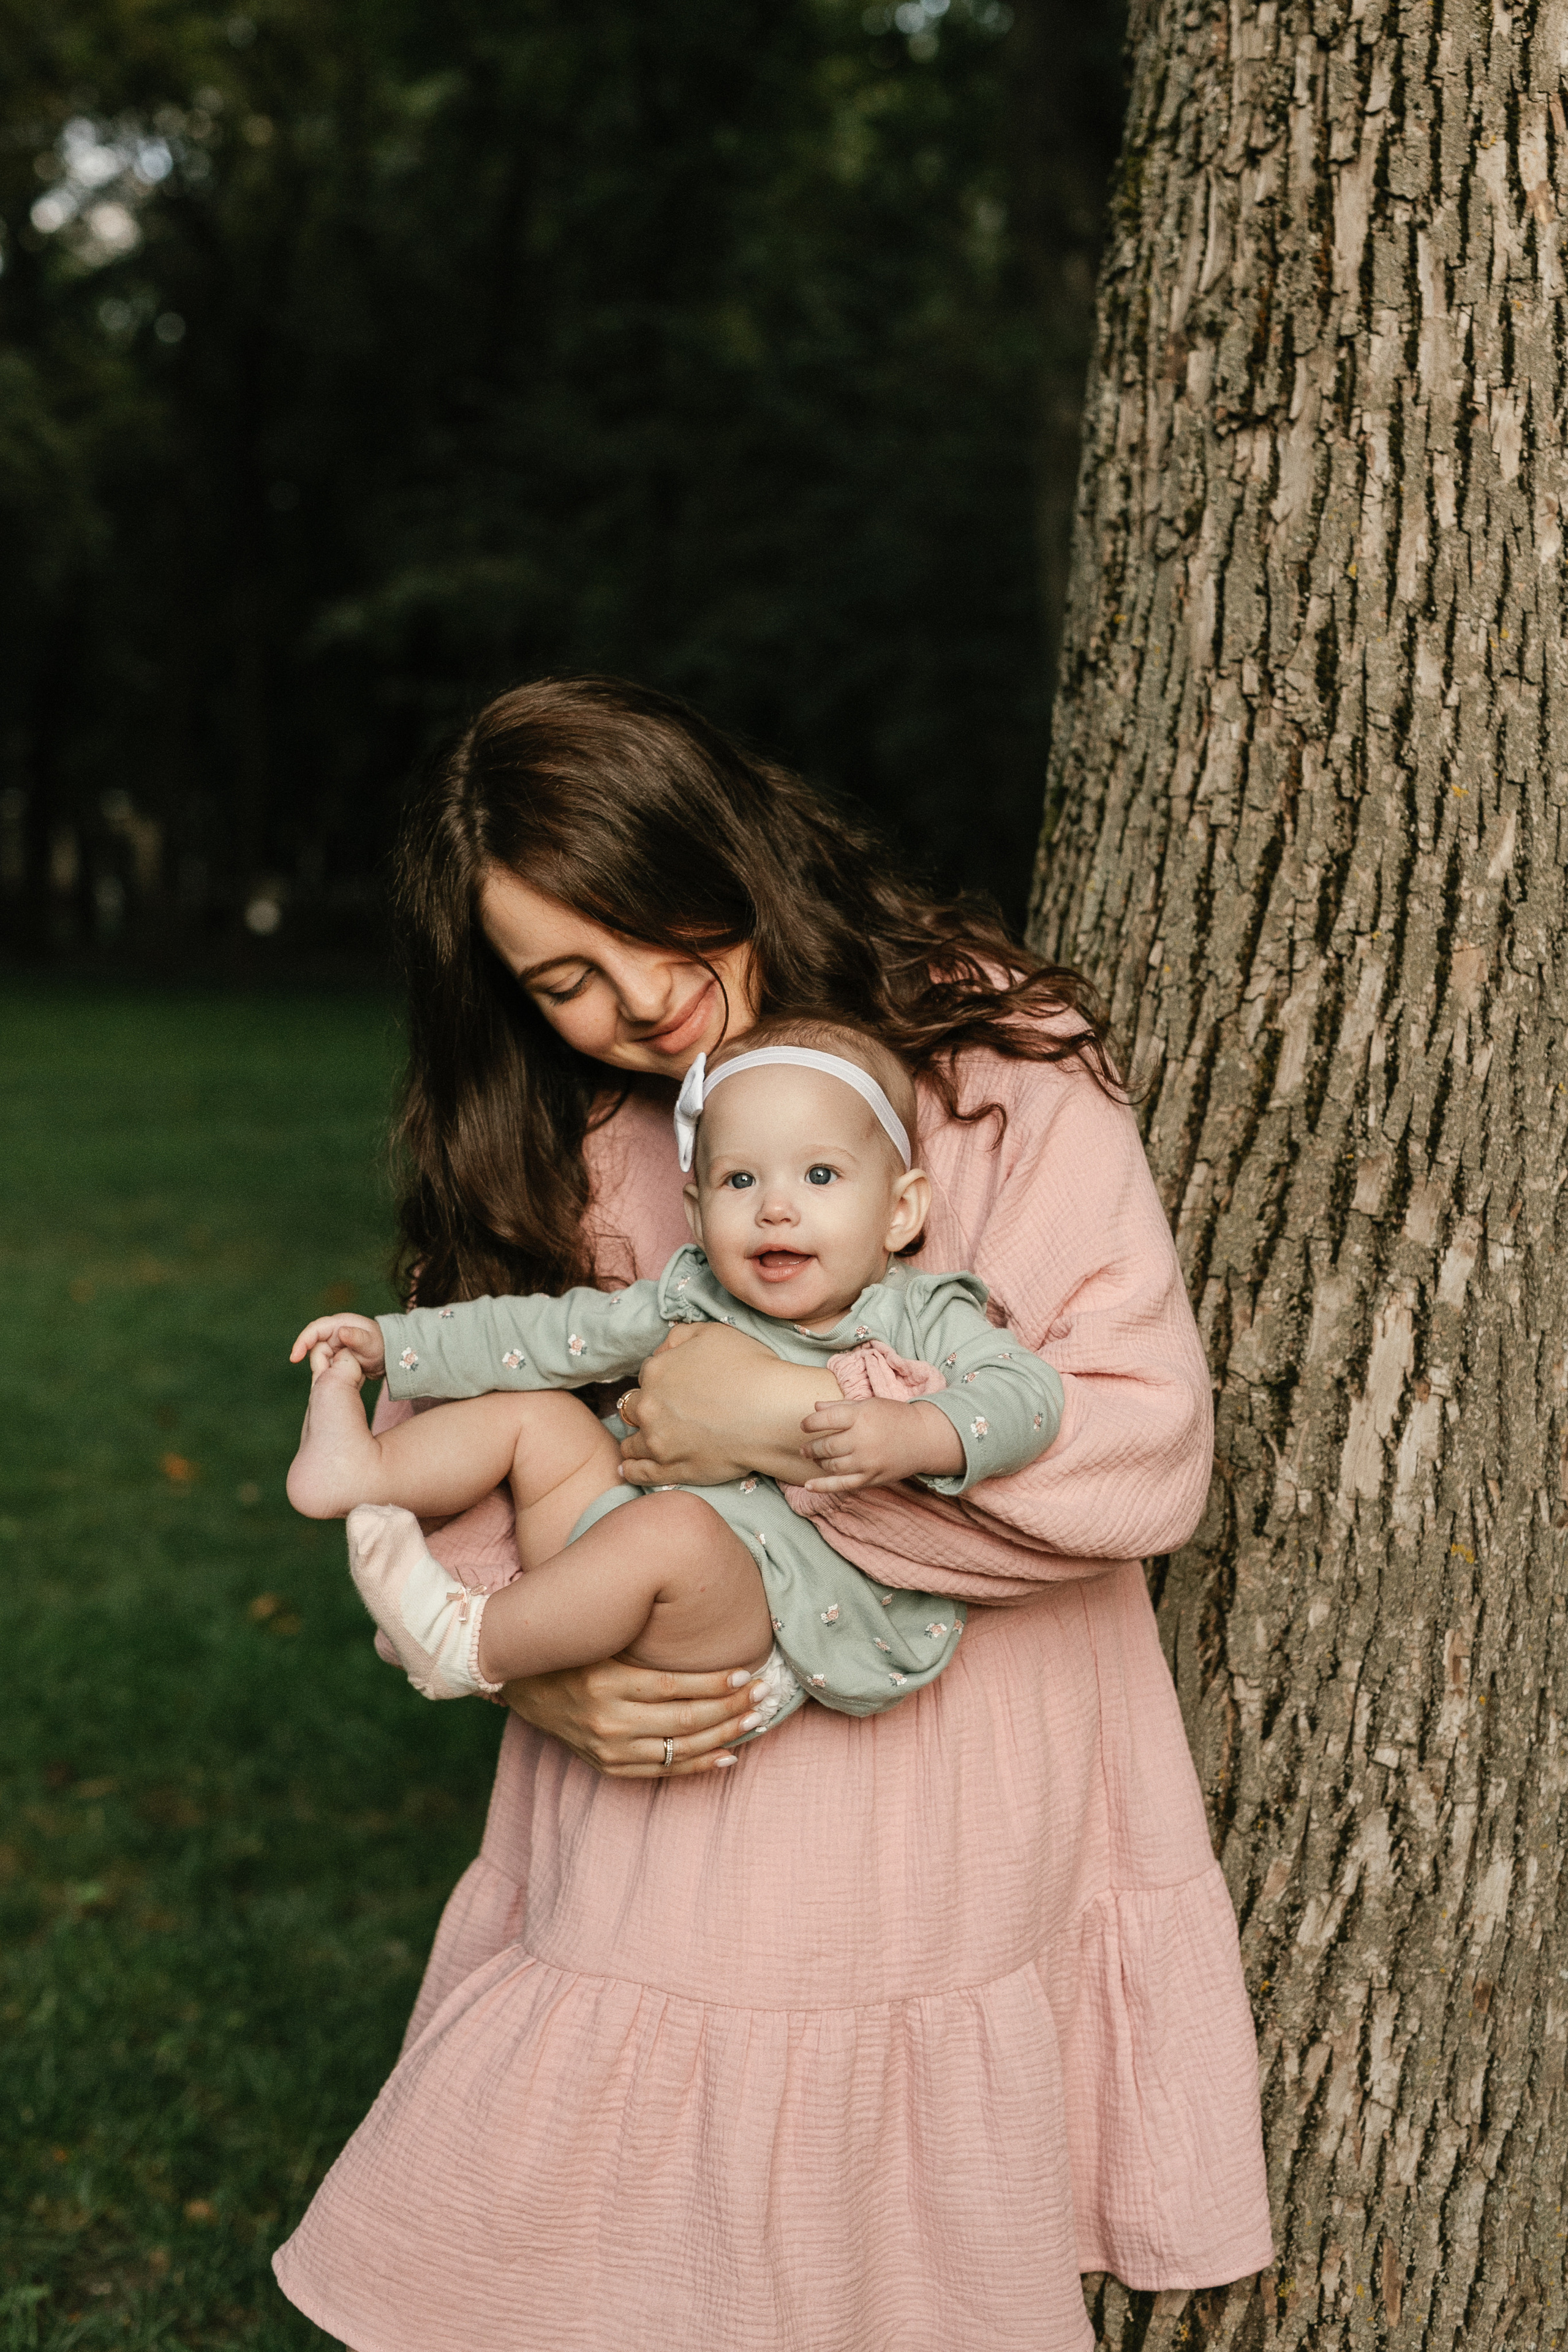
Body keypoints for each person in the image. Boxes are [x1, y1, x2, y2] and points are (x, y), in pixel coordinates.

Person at [272, 676, 1272, 2352]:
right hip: (667, 1779)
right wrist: (528, 1665)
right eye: (564, 981)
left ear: (721, 845)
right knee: (614, 2256)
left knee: (879, 2264)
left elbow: (1138, 1454)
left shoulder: (978, 1064)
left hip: (955, 1773)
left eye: (649, 926)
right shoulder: (570, 1129)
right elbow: (461, 1430)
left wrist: (790, 1429)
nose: (640, 1000)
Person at [284, 1020, 1061, 1724]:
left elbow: (1027, 1397)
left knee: (674, 1529)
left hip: (760, 1613)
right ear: (695, 1212)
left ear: (900, 1211)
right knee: (540, 1414)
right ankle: (360, 1469)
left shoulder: (920, 1316)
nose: (775, 1210)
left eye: (819, 1176)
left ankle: (467, 1645)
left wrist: (923, 1432)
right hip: (606, 1552)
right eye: (740, 1180)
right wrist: (393, 1344)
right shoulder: (691, 1296)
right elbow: (543, 1331)